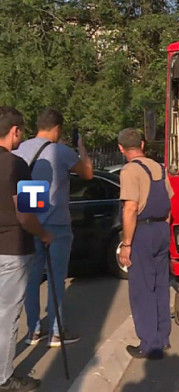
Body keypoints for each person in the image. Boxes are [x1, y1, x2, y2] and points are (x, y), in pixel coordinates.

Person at [13, 107, 93, 348]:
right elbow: (88, 174)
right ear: (57, 128)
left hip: (30, 223)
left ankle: (34, 329)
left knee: (31, 279)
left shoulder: (21, 150)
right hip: (57, 224)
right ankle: (57, 332)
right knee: (57, 278)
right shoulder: (61, 152)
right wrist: (81, 148)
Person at [0, 106, 53, 392]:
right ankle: (4, 377)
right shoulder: (16, 163)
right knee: (7, 315)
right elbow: (30, 211)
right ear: (15, 131)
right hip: (13, 248)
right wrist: (44, 233)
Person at [116, 128, 173, 360]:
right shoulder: (159, 167)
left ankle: (149, 344)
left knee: (141, 288)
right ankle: (162, 338)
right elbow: (169, 201)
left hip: (143, 231)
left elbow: (130, 207)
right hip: (161, 229)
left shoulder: (130, 170)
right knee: (161, 285)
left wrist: (126, 244)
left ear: (121, 148)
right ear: (143, 144)